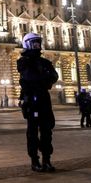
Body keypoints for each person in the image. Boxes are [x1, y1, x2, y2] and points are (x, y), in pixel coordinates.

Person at [17, 32, 59, 172]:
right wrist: (43, 78)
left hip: (44, 99)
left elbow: (54, 76)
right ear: (28, 44)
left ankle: (47, 159)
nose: (37, 45)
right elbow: (30, 77)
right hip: (31, 99)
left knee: (47, 130)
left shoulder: (45, 62)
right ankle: (34, 160)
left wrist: (40, 78)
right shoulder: (23, 61)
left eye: (38, 43)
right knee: (33, 132)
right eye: (34, 43)